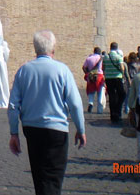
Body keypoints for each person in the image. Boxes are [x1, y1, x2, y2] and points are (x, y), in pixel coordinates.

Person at [8, 30, 86, 195]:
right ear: (53, 48)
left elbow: (13, 105)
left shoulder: (24, 70)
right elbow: (75, 104)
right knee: (53, 178)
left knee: (40, 177)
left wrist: (14, 133)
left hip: (32, 129)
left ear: (35, 48)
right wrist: (80, 129)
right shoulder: (62, 70)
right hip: (56, 130)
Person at [103, 42, 126, 124]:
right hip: (117, 78)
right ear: (117, 48)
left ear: (110, 48)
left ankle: (112, 115)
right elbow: (122, 68)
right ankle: (118, 111)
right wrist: (123, 75)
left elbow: (103, 68)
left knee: (112, 96)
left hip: (108, 78)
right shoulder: (118, 57)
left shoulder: (105, 57)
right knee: (122, 94)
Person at [82, 47, 104, 114]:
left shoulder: (89, 58)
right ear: (99, 52)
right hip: (99, 76)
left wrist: (87, 73)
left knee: (91, 91)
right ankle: (99, 108)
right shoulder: (101, 58)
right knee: (100, 91)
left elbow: (83, 67)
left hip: (91, 76)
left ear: (94, 51)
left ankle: (90, 103)